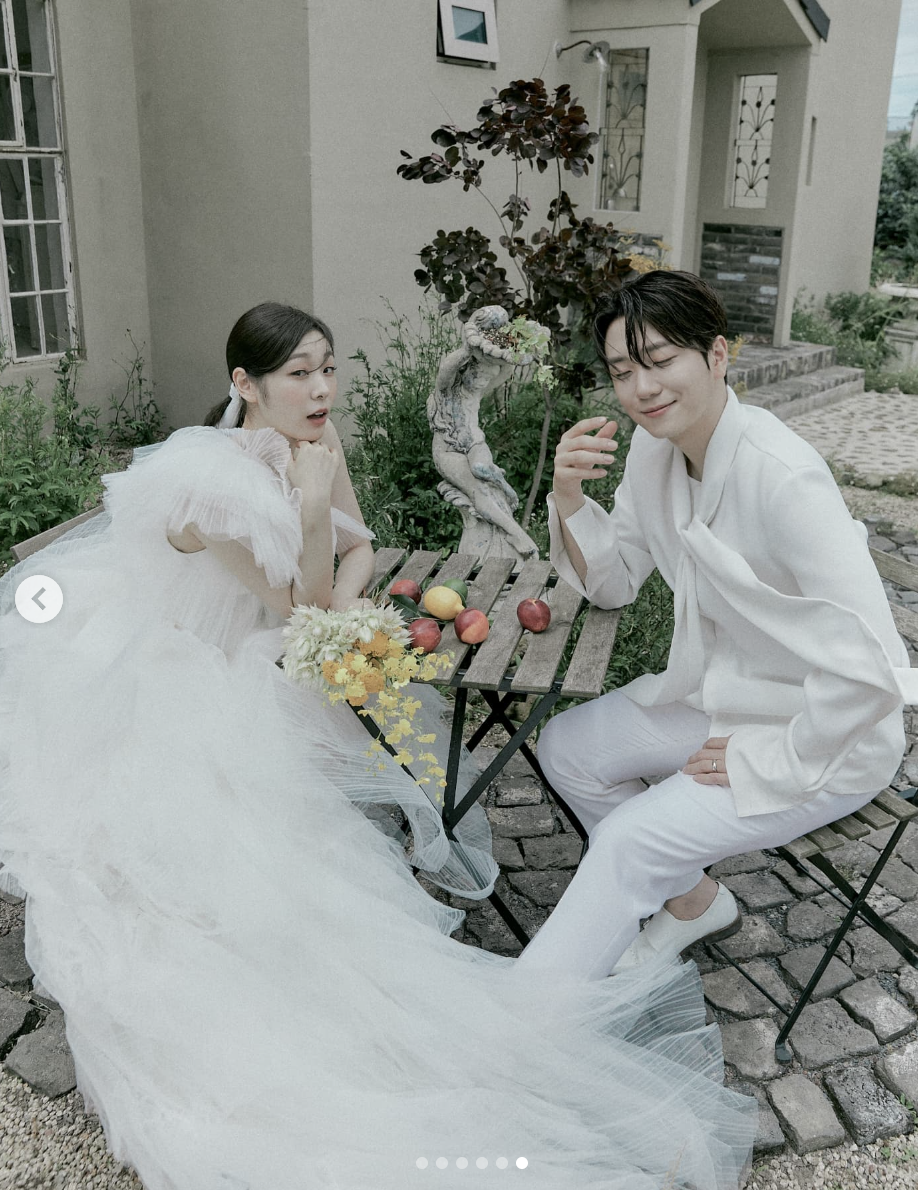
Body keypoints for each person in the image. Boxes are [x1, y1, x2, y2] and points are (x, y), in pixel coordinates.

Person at [0, 301, 756, 1189]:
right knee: (235, 865)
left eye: (328, 367)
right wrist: (316, 525)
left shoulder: (319, 441)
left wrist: (332, 555)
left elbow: (357, 562)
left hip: (286, 647)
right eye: (298, 374)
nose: (321, 389)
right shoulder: (205, 484)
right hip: (193, 665)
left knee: (362, 750)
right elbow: (304, 606)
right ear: (245, 385)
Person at [517, 270, 917, 982]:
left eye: (661, 358)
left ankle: (525, 1029)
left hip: (829, 733)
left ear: (718, 355)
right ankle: (696, 903)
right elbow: (613, 584)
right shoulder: (653, 451)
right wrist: (569, 494)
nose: (642, 388)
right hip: (729, 694)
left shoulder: (784, 478)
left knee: (630, 842)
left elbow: (874, 673)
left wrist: (762, 758)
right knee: (568, 746)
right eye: (622, 370)